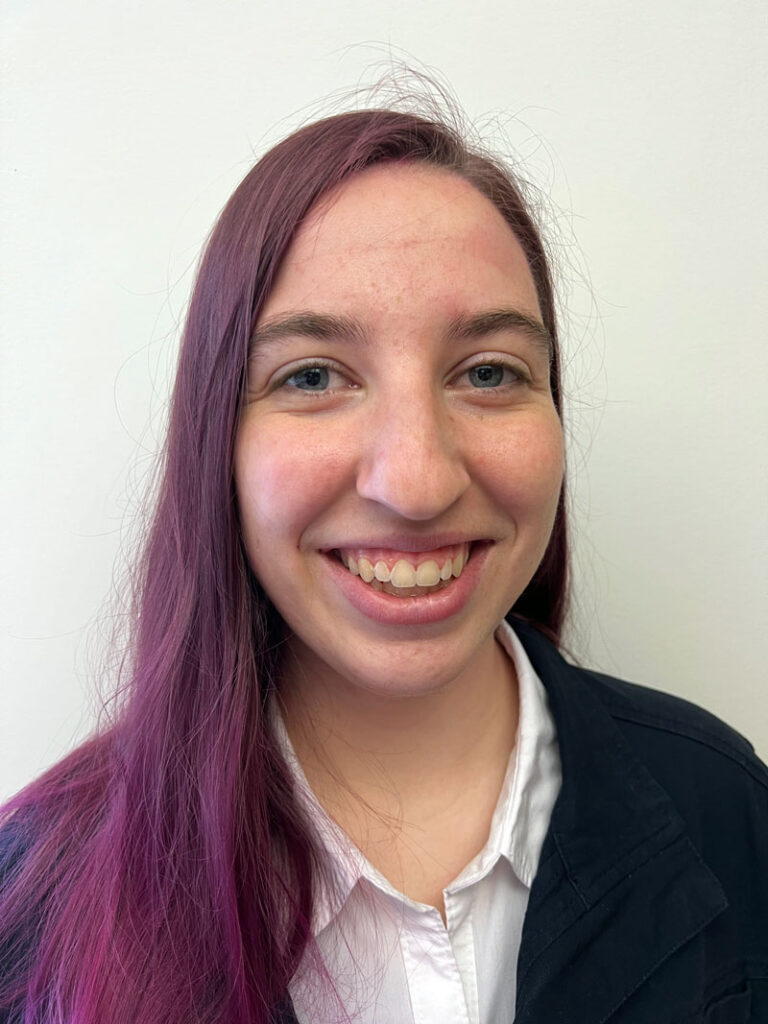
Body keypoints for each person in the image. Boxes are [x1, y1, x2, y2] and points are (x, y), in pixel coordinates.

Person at [1, 106, 766, 1024]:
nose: (416, 482)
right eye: (314, 377)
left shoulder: (726, 807)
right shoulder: (38, 894)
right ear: (218, 444)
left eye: (487, 372)